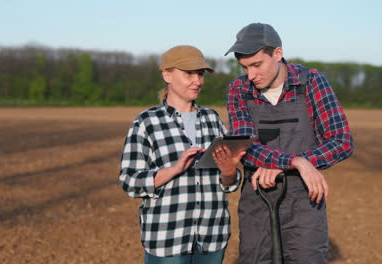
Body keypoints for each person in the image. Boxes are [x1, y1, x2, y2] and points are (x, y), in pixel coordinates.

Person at [224, 23, 354, 263]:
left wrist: (292, 165)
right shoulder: (238, 89)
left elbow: (341, 141)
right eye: (244, 67)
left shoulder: (312, 82)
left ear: (278, 54)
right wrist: (296, 161)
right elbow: (244, 147)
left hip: (304, 202)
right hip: (257, 200)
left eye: (256, 65)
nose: (251, 75)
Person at [119, 45, 245, 264]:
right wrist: (174, 170)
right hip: (168, 239)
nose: (197, 80)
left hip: (212, 237)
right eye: (189, 74)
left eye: (200, 74)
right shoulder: (146, 123)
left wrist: (229, 172)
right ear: (167, 75)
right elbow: (130, 181)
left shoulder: (212, 119)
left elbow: (229, 183)